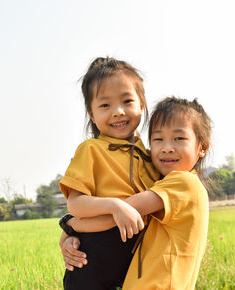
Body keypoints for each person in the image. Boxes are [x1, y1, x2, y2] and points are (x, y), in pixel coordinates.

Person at [61, 96, 212, 289]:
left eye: (179, 138)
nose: (167, 148)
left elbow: (121, 212)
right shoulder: (166, 185)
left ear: (203, 147)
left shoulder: (183, 182)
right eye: (158, 139)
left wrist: (70, 226)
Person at [58, 56, 161, 290]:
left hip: (134, 266)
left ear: (142, 105)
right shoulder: (91, 150)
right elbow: (76, 204)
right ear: (92, 114)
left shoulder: (150, 156)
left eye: (127, 101)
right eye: (105, 105)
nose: (118, 112)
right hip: (91, 265)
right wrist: (115, 206)